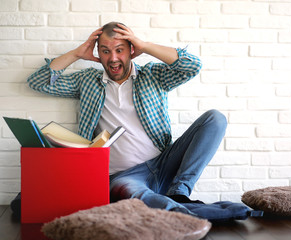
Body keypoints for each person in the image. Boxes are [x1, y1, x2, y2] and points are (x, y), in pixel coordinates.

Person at [27, 22, 227, 215]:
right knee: (136, 196)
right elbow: (39, 82)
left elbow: (192, 65)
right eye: (105, 51)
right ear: (98, 53)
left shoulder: (152, 75)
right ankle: (186, 211)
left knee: (215, 119)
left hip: (164, 163)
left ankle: (179, 193)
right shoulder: (87, 80)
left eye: (120, 50)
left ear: (132, 50)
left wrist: (145, 46)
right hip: (124, 176)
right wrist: (77, 53)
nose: (113, 58)